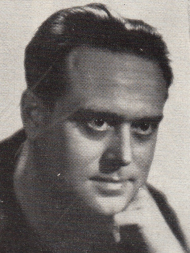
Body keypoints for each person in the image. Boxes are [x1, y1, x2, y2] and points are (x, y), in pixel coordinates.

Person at [0, 3, 189, 253]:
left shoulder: (150, 219)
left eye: (143, 127)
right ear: (34, 116)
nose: (124, 156)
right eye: (97, 123)